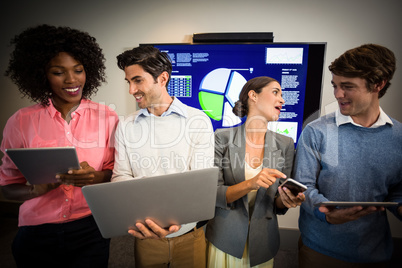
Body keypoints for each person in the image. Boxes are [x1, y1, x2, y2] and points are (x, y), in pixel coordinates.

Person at [0, 24, 118, 267]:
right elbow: (7, 189)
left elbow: (116, 174)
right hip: (36, 232)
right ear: (42, 74)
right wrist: (36, 191)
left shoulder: (107, 117)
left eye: (78, 70)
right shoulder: (21, 121)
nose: (71, 80)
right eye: (58, 72)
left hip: (90, 227)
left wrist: (93, 176)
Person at [293, 44, 402, 267]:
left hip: (376, 252)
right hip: (320, 250)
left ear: (378, 85)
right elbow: (303, 186)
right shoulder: (316, 131)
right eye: (335, 85)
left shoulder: (398, 137)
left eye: (347, 86)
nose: (338, 94)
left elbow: (396, 191)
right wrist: (326, 212)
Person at [112, 45, 214, 268]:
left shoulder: (198, 121)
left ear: (163, 78)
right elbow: (120, 176)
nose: (131, 90)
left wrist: (174, 219)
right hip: (145, 234)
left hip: (190, 234)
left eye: (138, 80)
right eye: (128, 82)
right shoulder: (126, 125)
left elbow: (199, 182)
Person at [205, 76, 305, 268]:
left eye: (282, 95)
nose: (282, 100)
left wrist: (286, 199)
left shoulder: (285, 144)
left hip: (263, 241)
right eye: (276, 92)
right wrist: (251, 183)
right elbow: (214, 194)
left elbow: (276, 202)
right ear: (253, 96)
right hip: (225, 238)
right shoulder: (222, 138)